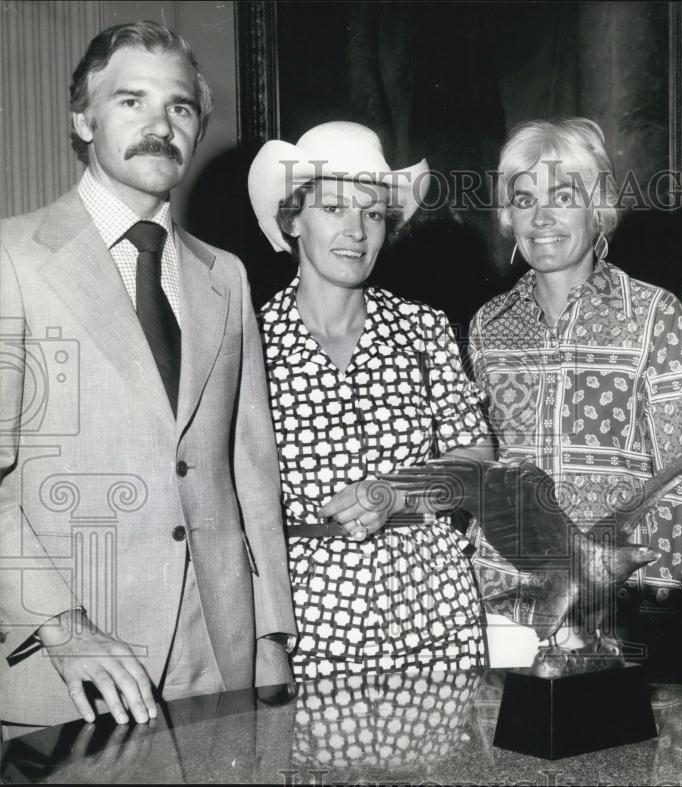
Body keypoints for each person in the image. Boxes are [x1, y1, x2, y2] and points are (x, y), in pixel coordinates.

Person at [0, 21, 296, 735]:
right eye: (131, 101)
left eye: (181, 107)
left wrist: (269, 637)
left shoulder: (225, 275)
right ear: (83, 118)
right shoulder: (13, 259)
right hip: (72, 671)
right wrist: (64, 627)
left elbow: (249, 469)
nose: (161, 124)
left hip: (217, 663)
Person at [248, 121, 493, 679]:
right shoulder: (249, 342)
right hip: (308, 621)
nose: (356, 231)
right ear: (293, 219)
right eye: (334, 209)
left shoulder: (423, 328)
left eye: (374, 213)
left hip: (433, 610)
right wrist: (267, 642)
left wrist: (394, 493)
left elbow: (477, 465)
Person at [467, 118, 682, 666]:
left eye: (562, 197)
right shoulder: (487, 327)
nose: (540, 217)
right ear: (507, 216)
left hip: (614, 613)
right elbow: (483, 476)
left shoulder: (653, 315)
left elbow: (679, 481)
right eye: (523, 199)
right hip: (503, 607)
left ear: (598, 208)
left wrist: (645, 603)